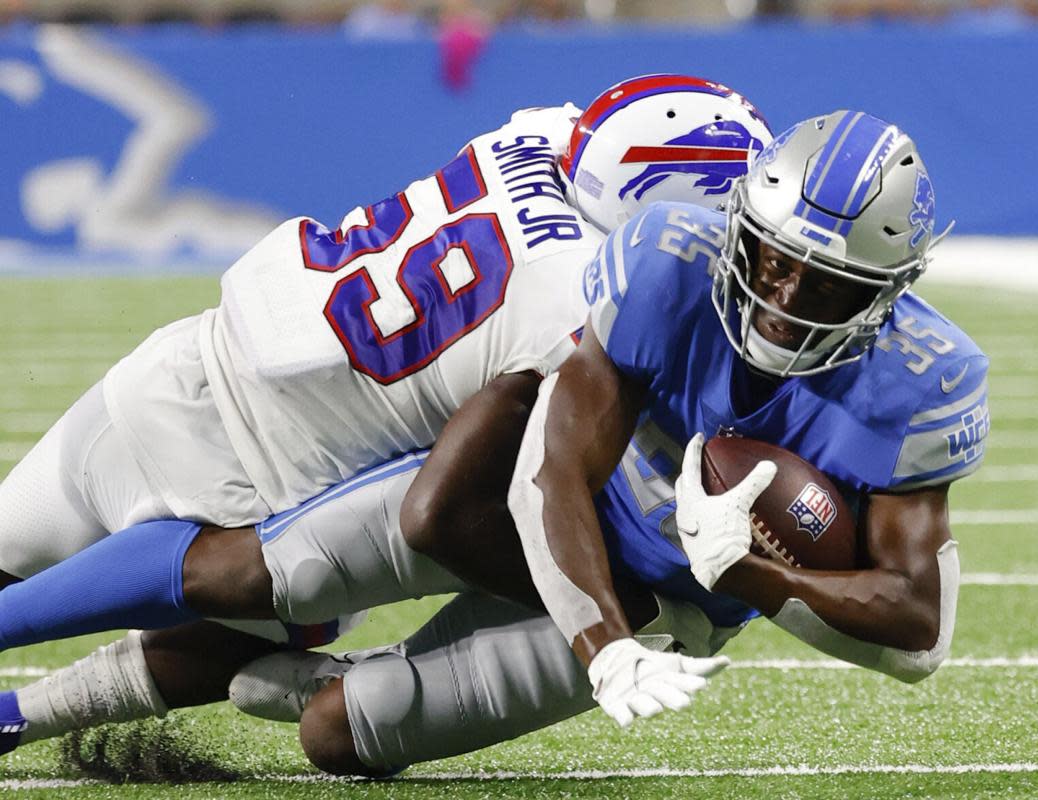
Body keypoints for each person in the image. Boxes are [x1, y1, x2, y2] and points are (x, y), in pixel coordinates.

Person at [0, 76, 771, 758]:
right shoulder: (584, 309)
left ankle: (11, 717)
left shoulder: (537, 133)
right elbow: (484, 498)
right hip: (280, 479)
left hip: (192, 361)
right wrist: (608, 615)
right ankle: (14, 718)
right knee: (248, 618)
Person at [506, 110, 989, 726]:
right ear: (744, 229)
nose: (785, 299)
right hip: (538, 515)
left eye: (827, 285)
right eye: (777, 261)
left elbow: (919, 634)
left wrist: (745, 573)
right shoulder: (669, 258)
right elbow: (549, 470)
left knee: (349, 730)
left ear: (881, 295)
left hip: (664, 607)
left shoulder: (921, 381)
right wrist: (605, 650)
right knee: (402, 525)